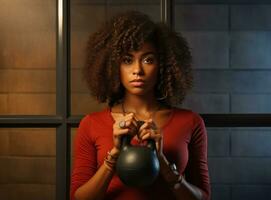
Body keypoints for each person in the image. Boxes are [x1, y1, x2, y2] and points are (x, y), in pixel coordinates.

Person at [70, 11, 210, 200]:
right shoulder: (91, 124)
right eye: (127, 60)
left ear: (163, 65)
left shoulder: (190, 122)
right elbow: (78, 198)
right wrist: (115, 154)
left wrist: (162, 161)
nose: (137, 70)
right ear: (113, 66)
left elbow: (203, 197)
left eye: (148, 60)